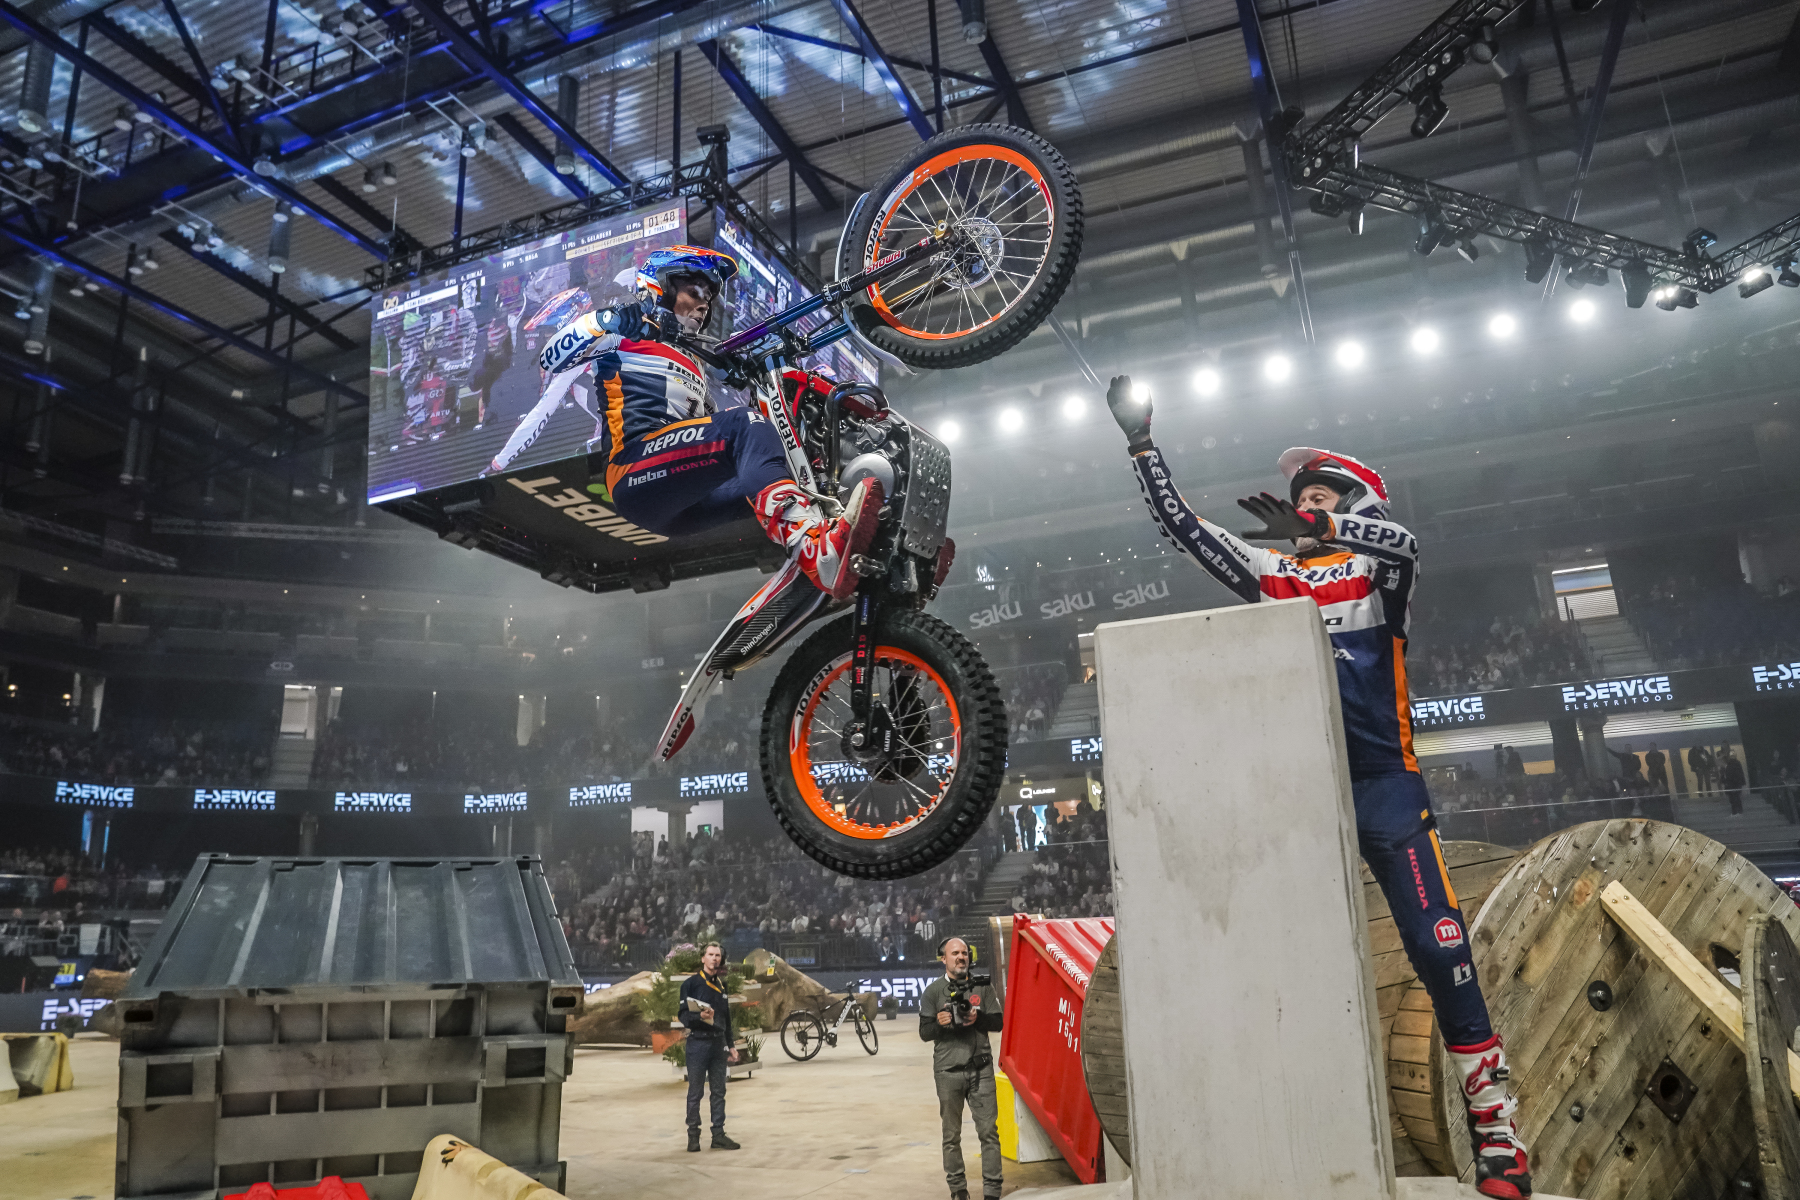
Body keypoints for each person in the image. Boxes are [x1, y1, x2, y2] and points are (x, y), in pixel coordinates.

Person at [1105, 376, 1532, 1199]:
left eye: (1320, 496)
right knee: (1288, 963)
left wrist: (1328, 527)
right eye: (1298, 501)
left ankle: (1496, 1130)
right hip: (1299, 795)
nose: (1301, 507)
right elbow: (1186, 529)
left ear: (1355, 504)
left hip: (1386, 787)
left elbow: (1406, 544)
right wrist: (1142, 443)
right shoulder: (1273, 573)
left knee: (1439, 944)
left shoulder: (1379, 572)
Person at [508, 245, 882, 599]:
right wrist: (607, 319)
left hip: (683, 497)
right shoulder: (622, 332)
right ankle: (817, 554)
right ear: (661, 286)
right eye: (696, 290)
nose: (705, 303)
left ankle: (844, 545)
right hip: (634, 470)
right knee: (745, 425)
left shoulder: (695, 359)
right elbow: (550, 358)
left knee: (782, 465)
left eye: (710, 296)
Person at [920, 937, 1003, 1200]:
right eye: (955, 953)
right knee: (951, 1135)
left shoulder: (982, 986)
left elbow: (998, 1023)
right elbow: (924, 1032)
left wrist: (977, 1018)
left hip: (981, 1070)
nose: (961, 957)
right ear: (943, 959)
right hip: (948, 1073)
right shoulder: (933, 992)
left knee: (989, 1132)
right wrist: (940, 1023)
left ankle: (992, 1191)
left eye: (965, 953)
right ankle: (958, 1190)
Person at [677, 942, 740, 1152]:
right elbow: (683, 1016)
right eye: (711, 955)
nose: (714, 958)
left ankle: (718, 1135)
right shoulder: (690, 984)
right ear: (703, 958)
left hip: (718, 1044)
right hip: (698, 1043)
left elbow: (726, 1018)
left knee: (719, 1091)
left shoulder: (722, 985)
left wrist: (731, 1045)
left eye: (717, 955)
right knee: (695, 1092)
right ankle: (693, 1136)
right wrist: (699, 1017)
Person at [1720, 748, 1747, 816]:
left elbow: (1736, 774)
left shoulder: (1731, 764)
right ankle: (1737, 811)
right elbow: (1739, 774)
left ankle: (1736, 812)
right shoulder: (1733, 763)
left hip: (1732, 783)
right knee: (1735, 798)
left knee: (1734, 798)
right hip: (1733, 783)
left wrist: (1724, 781)